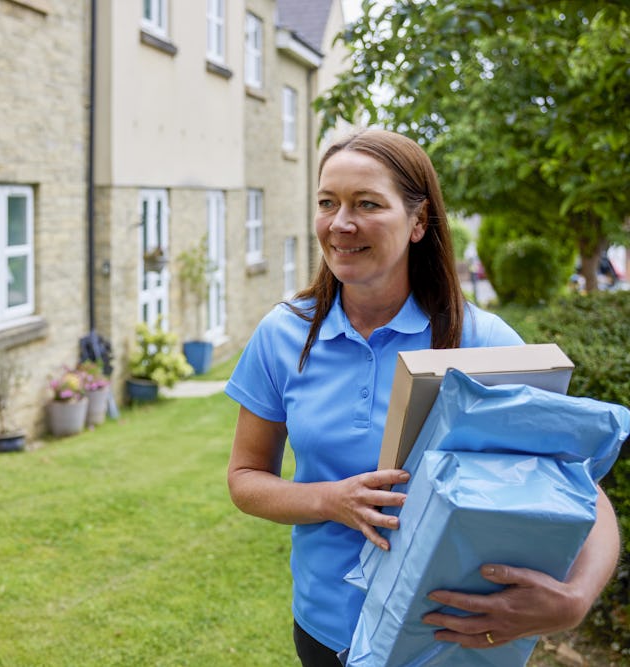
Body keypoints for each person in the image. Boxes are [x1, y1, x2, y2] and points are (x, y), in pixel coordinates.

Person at [225, 129, 620, 666]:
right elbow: (246, 479)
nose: (341, 223)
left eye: (367, 204)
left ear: (418, 222)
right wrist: (331, 501)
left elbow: (581, 491)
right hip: (327, 629)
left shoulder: (481, 341)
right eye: (327, 203)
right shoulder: (284, 335)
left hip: (447, 637)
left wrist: (574, 602)